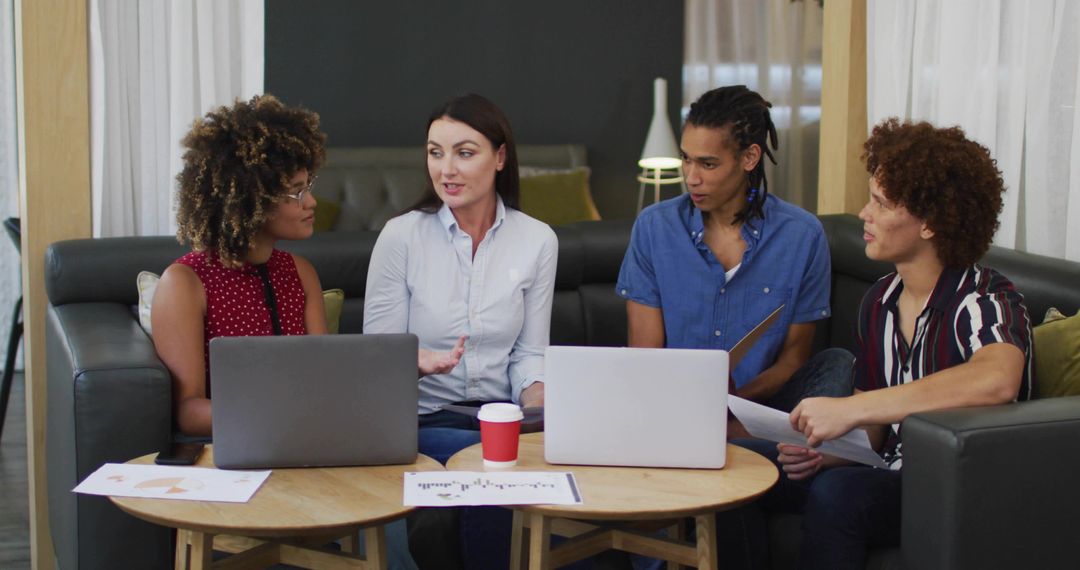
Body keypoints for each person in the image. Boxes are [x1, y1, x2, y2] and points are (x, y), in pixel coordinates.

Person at [741, 118, 1034, 569]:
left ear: (930, 224)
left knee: (839, 496)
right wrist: (826, 451)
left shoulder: (984, 298)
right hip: (887, 471)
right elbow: (875, 435)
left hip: (955, 485)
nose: (864, 214)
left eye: (881, 203)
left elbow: (997, 380)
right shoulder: (879, 299)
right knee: (740, 468)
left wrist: (851, 409)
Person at [153, 94, 460, 438]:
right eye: (296, 192)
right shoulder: (184, 282)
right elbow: (189, 412)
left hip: (307, 438)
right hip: (235, 447)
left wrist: (408, 366)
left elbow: (325, 380)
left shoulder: (300, 273)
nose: (311, 201)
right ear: (250, 199)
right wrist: (283, 414)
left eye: (307, 187)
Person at [363, 93, 558, 569]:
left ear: (501, 156)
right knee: (487, 467)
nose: (445, 168)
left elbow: (531, 353)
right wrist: (417, 362)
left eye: (464, 152)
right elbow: (376, 363)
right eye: (435, 151)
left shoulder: (537, 241)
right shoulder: (401, 237)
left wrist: (540, 407)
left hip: (503, 420)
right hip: (423, 422)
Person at [617, 85, 849, 417]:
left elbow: (792, 363)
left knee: (837, 364)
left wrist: (729, 402)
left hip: (758, 411)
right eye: (686, 159)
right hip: (673, 409)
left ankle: (748, 441)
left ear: (749, 158)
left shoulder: (802, 236)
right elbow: (646, 356)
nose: (691, 177)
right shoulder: (655, 228)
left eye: (708, 164)